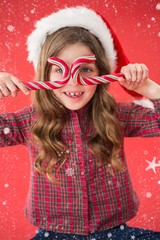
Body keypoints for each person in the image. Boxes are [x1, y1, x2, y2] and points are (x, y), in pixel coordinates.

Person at [0, 6, 160, 240]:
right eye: (59, 70)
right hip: (52, 233)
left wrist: (149, 88)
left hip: (116, 231)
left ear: (101, 73)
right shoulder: (28, 121)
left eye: (85, 69)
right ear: (45, 74)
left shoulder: (114, 115)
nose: (73, 82)